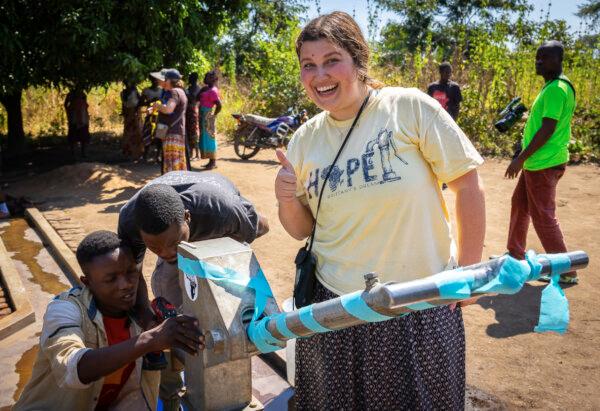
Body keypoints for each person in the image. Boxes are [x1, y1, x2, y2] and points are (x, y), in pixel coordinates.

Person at [275, 12, 485, 410]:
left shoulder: (408, 108)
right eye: (309, 65)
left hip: (417, 303)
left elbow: (467, 184)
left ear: (358, 59)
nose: (320, 74)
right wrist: (286, 198)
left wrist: (470, 270)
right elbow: (302, 228)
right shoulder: (305, 140)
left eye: (332, 59)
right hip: (333, 307)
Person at [117, 170, 269, 409]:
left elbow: (261, 228)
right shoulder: (130, 220)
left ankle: (226, 374)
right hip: (188, 226)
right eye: (154, 248)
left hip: (216, 231)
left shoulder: (222, 209)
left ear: (186, 217)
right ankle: (174, 384)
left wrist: (219, 256)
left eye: (172, 244)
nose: (166, 252)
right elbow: (133, 274)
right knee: (166, 294)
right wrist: (150, 325)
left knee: (228, 312)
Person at [13, 231, 203, 411]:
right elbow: (73, 370)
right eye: (111, 279)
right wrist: (150, 340)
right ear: (87, 282)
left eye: (130, 273)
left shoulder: (142, 315)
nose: (126, 285)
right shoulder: (64, 309)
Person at [504, 40, 577, 284]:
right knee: (520, 205)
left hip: (543, 163)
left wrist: (519, 159)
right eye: (537, 57)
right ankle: (515, 255)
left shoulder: (557, 88)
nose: (538, 61)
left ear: (558, 60)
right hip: (536, 163)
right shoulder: (552, 87)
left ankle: (565, 270)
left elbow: (547, 129)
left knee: (543, 216)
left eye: (544, 57)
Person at [149, 69, 189, 174]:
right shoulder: (181, 91)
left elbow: (168, 109)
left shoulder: (174, 92)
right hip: (178, 132)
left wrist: (157, 106)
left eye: (165, 79)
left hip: (171, 133)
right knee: (178, 164)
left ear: (168, 80)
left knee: (172, 166)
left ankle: (172, 188)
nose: (163, 82)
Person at [198, 70, 222, 170]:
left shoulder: (213, 91)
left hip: (208, 115)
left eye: (207, 77)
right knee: (206, 137)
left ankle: (213, 162)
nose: (204, 78)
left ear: (212, 79)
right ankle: (210, 162)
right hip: (204, 115)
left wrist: (213, 115)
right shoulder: (206, 89)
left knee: (210, 137)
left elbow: (219, 105)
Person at [141, 75, 164, 163]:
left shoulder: (162, 90)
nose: (155, 81)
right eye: (154, 79)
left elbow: (165, 101)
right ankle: (145, 155)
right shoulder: (146, 91)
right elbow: (141, 102)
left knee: (160, 135)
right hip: (150, 115)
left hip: (160, 115)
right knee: (148, 134)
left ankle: (158, 156)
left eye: (157, 79)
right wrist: (150, 101)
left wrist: (159, 100)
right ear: (151, 80)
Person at [64, 88, 90, 158]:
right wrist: (69, 112)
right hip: (74, 118)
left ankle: (83, 153)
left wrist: (86, 116)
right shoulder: (70, 94)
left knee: (83, 137)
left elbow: (86, 105)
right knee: (73, 137)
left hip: (83, 118)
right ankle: (73, 153)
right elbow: (65, 104)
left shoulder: (83, 94)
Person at [120, 82, 144, 160]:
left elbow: (140, 102)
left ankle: (137, 153)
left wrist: (137, 111)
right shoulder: (123, 93)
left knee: (137, 134)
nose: (128, 84)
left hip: (135, 115)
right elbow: (123, 105)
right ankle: (128, 153)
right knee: (128, 134)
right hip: (128, 115)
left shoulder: (135, 92)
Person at [186, 72, 201, 161]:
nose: (189, 79)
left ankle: (197, 154)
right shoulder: (190, 88)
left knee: (194, 132)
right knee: (189, 132)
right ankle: (191, 153)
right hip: (188, 111)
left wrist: (187, 93)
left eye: (191, 78)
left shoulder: (197, 88)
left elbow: (193, 98)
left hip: (193, 111)